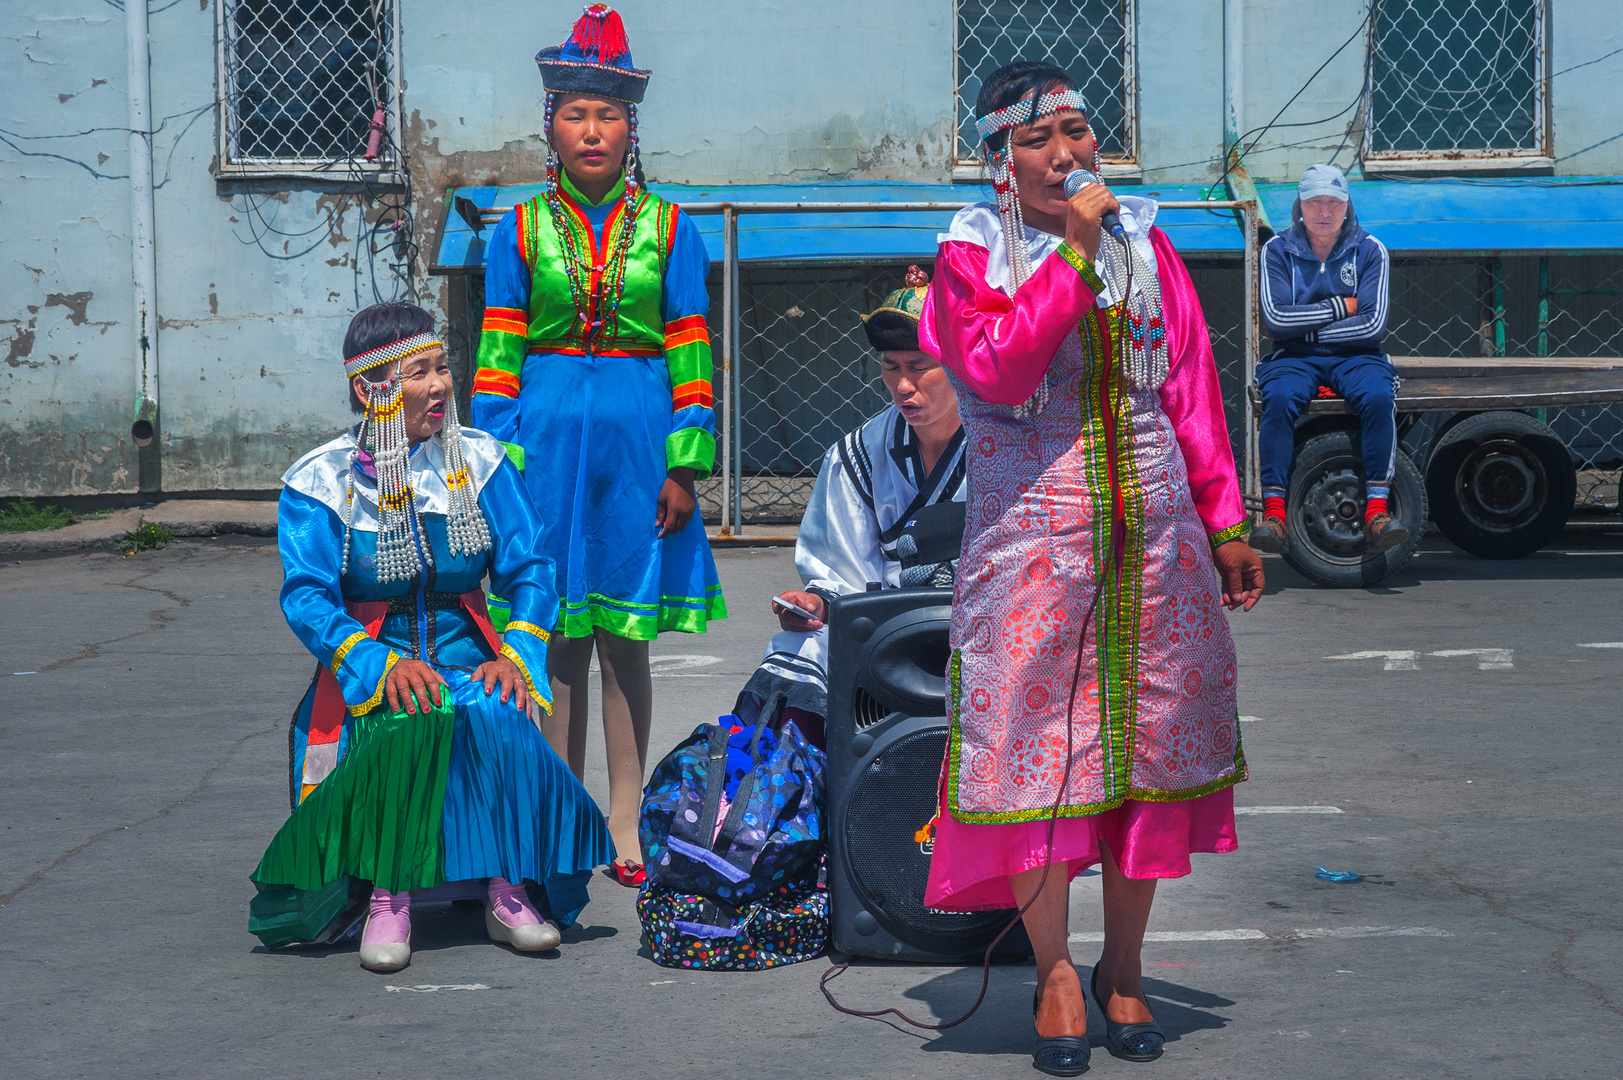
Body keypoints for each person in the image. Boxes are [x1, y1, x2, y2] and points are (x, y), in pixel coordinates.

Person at [918, 61, 1265, 1076]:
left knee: (1146, 757)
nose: (1066, 152)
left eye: (1076, 130)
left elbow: (1191, 380)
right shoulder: (969, 260)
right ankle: (1056, 973)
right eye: (1038, 139)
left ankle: (1124, 966)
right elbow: (1000, 369)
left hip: (1151, 535)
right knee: (1039, 757)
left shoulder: (1145, 244)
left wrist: (1225, 516)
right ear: (997, 162)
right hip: (1032, 539)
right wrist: (1072, 253)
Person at [250, 302, 614, 973]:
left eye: (444, 366)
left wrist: (517, 651)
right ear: (370, 389)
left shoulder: (479, 460)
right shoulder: (321, 479)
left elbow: (531, 569)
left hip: (468, 651)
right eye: (422, 372)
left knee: (492, 705)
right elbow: (306, 595)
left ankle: (505, 888)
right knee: (411, 712)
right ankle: (390, 894)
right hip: (369, 666)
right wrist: (377, 664)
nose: (443, 384)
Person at [471, 5, 725, 888]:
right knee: (550, 636)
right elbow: (497, 349)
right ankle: (557, 811)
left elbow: (690, 343)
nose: (591, 130)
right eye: (575, 113)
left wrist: (684, 464)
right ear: (551, 125)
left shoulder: (670, 226)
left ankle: (623, 819)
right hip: (538, 443)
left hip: (639, 438)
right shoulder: (517, 228)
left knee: (625, 636)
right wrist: (490, 464)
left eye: (607, 114)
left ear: (630, 128)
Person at [758, 267, 967, 736]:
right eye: (890, 367)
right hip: (891, 632)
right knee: (797, 651)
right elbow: (842, 577)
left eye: (918, 366)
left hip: (983, 623)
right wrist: (815, 603)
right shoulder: (857, 454)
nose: (903, 386)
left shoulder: (1002, 446)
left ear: (958, 363)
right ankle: (792, 795)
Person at [1252, 163, 1403, 553]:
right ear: (1299, 205)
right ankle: (1274, 514)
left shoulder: (1371, 250)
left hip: (1356, 356)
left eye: (1333, 202)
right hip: (1293, 358)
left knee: (1378, 397)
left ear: (1347, 206)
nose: (1324, 211)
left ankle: (1376, 512)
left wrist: (1302, 328)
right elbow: (1275, 320)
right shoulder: (1277, 250)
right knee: (1280, 399)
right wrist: (1341, 306)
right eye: (1314, 201)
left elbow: (1372, 327)